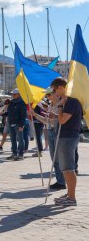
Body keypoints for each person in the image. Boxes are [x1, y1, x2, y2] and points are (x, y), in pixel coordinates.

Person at [51, 78, 82, 206]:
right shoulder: (66, 102)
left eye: (54, 89)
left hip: (68, 137)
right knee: (65, 168)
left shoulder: (71, 102)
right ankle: (69, 194)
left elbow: (63, 120)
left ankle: (72, 197)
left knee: (69, 168)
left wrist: (59, 105)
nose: (54, 92)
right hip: (65, 137)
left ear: (60, 88)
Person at [29, 87, 66, 190]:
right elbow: (46, 121)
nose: (47, 97)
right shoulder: (50, 106)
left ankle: (62, 182)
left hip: (57, 131)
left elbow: (62, 120)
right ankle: (60, 181)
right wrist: (35, 115)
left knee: (58, 159)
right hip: (50, 131)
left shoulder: (61, 104)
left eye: (49, 94)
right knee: (54, 159)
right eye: (47, 95)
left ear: (56, 93)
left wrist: (53, 117)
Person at [7, 88, 27, 161]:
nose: (13, 95)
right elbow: (9, 112)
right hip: (11, 123)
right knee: (13, 139)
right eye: (12, 94)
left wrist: (21, 125)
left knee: (20, 139)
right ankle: (14, 153)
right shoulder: (11, 102)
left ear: (19, 95)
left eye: (14, 94)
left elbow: (23, 115)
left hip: (18, 124)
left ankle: (21, 154)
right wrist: (3, 114)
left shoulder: (22, 103)